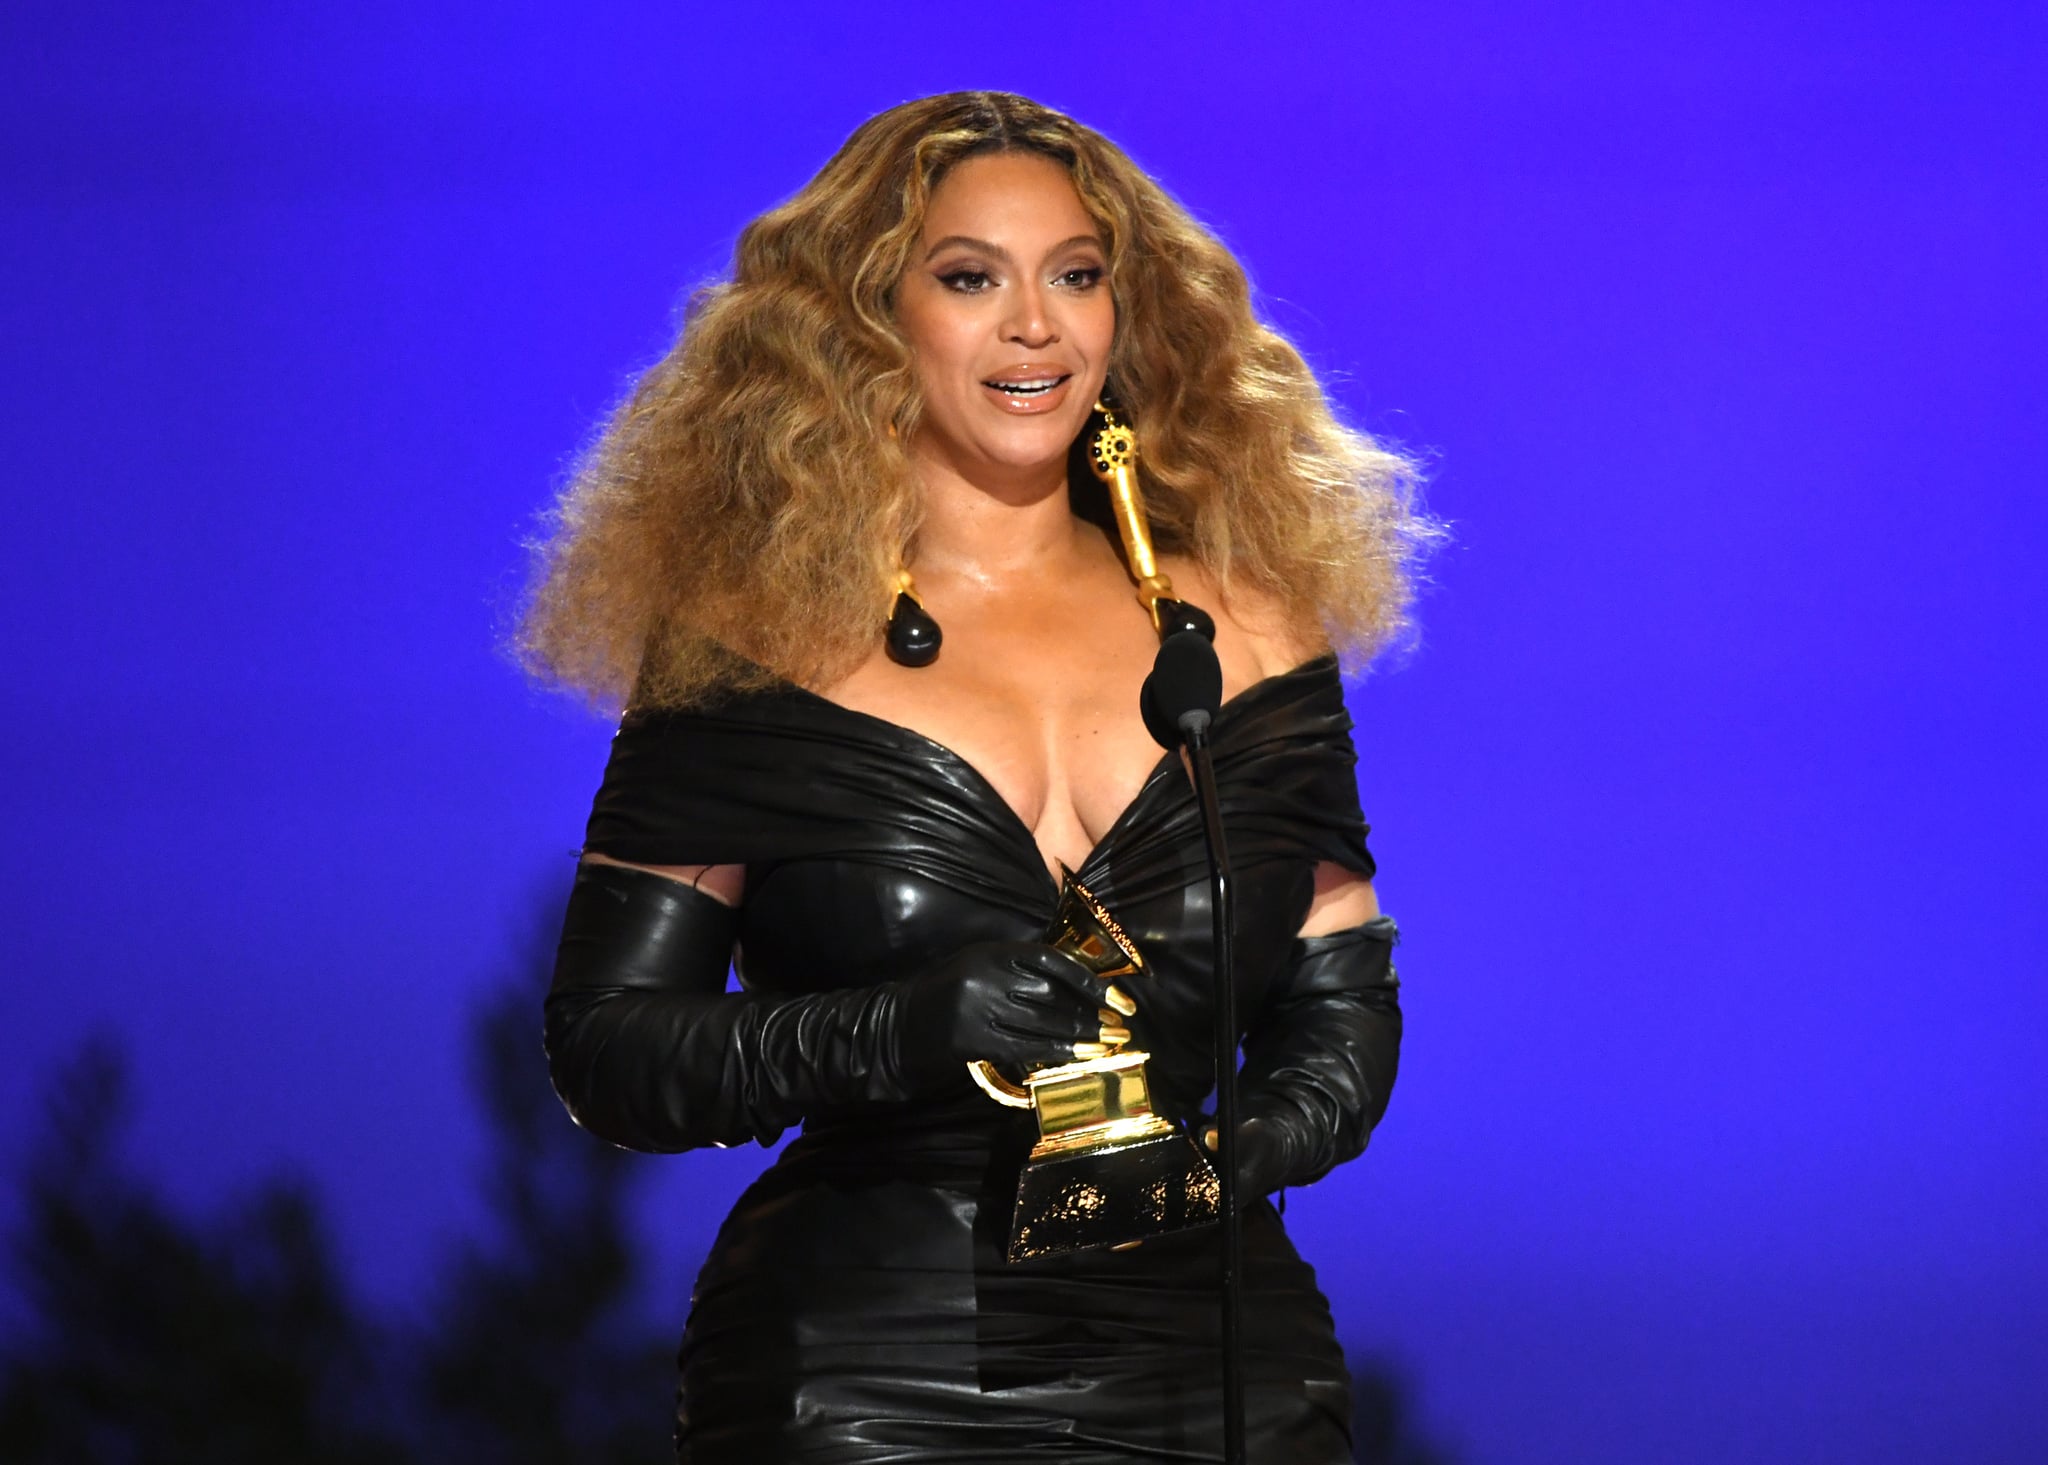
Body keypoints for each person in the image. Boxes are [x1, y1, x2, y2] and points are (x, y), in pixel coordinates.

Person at [514, 90, 1434, 1464]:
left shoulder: (1252, 631)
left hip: (1219, 1370)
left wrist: (1245, 1150)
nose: (1035, 325)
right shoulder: (752, 645)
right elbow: (611, 1046)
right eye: (969, 277)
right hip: (866, 1371)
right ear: (868, 320)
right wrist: (907, 1024)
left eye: (1077, 275)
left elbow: (1342, 1003)